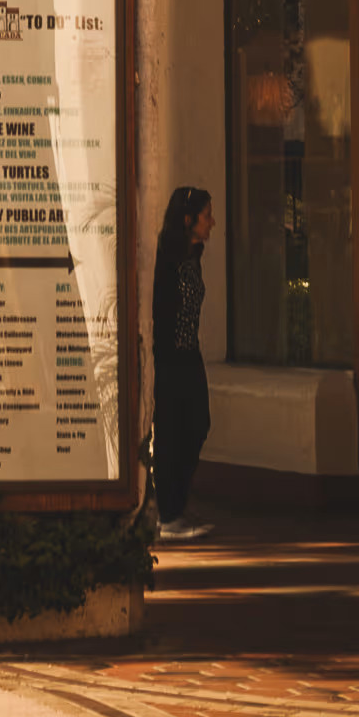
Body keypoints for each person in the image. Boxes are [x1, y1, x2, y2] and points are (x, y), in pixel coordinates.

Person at [151, 184, 217, 544]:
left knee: (197, 424)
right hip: (172, 355)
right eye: (207, 216)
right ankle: (168, 512)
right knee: (174, 430)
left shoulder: (193, 256)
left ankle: (174, 506)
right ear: (189, 219)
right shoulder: (168, 260)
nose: (213, 223)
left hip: (189, 351)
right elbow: (162, 311)